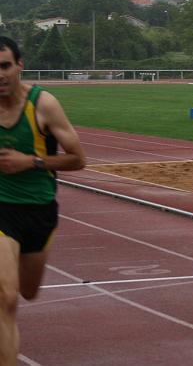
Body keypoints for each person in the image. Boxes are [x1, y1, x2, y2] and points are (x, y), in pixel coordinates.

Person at [0, 36, 86, 364]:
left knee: (27, 291)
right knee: (6, 299)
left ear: (19, 65)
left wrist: (30, 162)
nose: (0, 74)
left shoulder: (43, 104)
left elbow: (78, 159)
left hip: (39, 211)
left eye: (5, 66)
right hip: (1, 210)